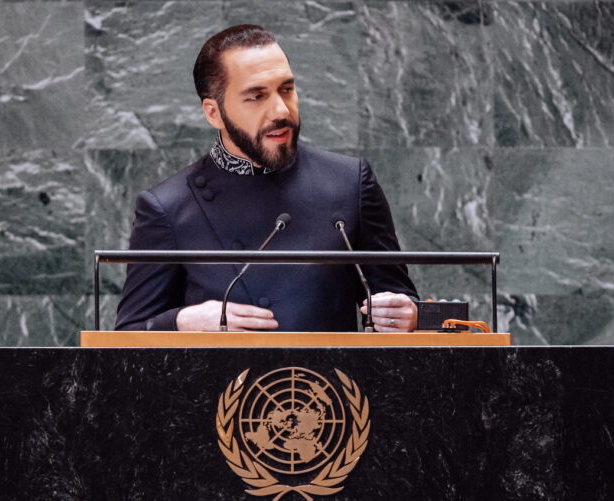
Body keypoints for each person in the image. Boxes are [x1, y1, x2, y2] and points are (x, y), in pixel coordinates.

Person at [115, 24, 418, 333]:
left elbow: (400, 302)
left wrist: (410, 316)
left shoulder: (350, 183)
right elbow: (125, 337)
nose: (280, 109)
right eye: (256, 96)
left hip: (333, 381)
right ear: (213, 113)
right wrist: (181, 322)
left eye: (286, 89)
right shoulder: (168, 206)